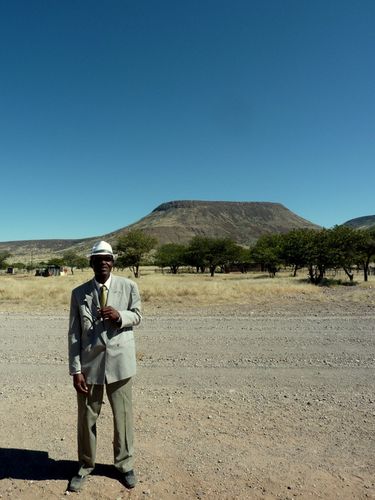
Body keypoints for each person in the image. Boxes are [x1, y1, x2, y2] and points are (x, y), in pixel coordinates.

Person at [67, 240, 142, 492]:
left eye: (107, 259)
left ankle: (125, 465)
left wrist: (120, 316)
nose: (103, 263)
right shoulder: (79, 293)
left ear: (113, 262)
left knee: (123, 418)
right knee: (87, 419)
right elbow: (74, 334)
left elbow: (139, 315)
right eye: (98, 259)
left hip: (121, 365)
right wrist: (76, 370)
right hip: (90, 367)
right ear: (91, 263)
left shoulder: (129, 286)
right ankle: (85, 466)